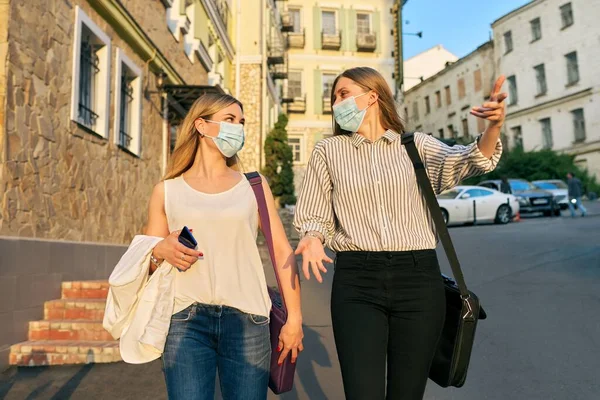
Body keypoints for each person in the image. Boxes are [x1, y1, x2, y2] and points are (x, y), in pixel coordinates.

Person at [293, 67, 505, 400]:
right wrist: (312, 237)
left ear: (372, 95)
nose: (335, 103)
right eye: (333, 98)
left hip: (418, 280)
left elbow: (469, 159)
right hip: (356, 281)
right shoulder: (328, 151)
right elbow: (315, 214)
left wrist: (493, 126)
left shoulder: (416, 145)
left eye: (343, 94)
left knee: (407, 394)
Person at [146, 93, 303, 399]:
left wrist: (294, 318)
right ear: (201, 125)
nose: (239, 129)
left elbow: (283, 252)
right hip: (184, 320)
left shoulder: (254, 185)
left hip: (249, 320)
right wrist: (159, 251)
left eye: (241, 122)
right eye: (230, 120)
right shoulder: (166, 191)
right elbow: (150, 264)